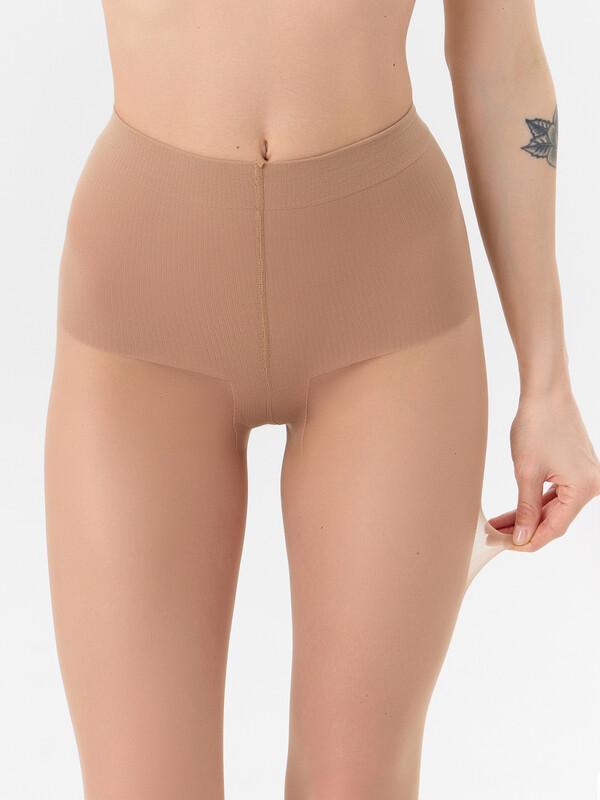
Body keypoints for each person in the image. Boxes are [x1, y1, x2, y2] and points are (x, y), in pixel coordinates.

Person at [43, 0, 600, 797]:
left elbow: (502, 63)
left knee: (359, 780)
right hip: (141, 313)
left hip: (392, 306)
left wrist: (547, 381)